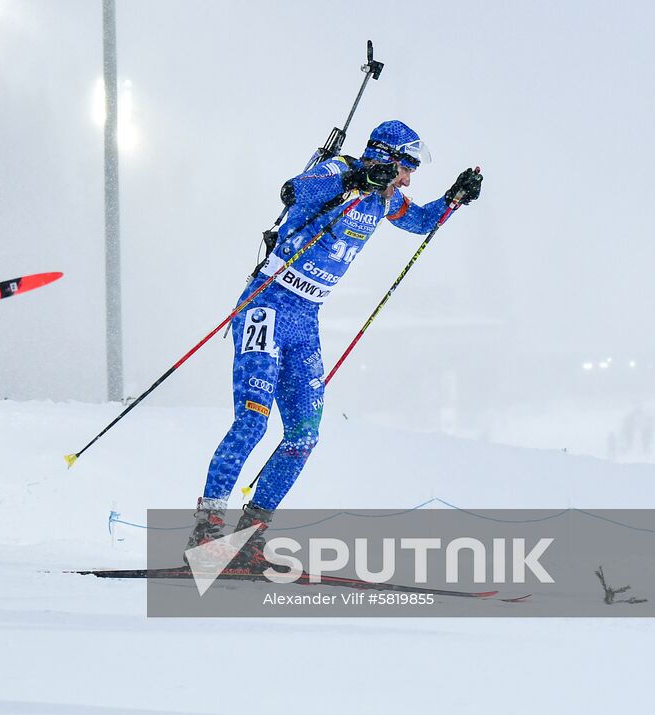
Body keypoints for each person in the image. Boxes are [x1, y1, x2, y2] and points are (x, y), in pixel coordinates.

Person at [188, 120, 482, 562]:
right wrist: (354, 177)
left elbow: (421, 221)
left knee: (304, 435)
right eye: (406, 168)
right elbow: (293, 191)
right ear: (386, 157)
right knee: (253, 421)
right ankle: (206, 532)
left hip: (305, 319)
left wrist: (454, 199)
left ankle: (249, 538)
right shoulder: (336, 171)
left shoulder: (387, 201)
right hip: (267, 304)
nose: (407, 179)